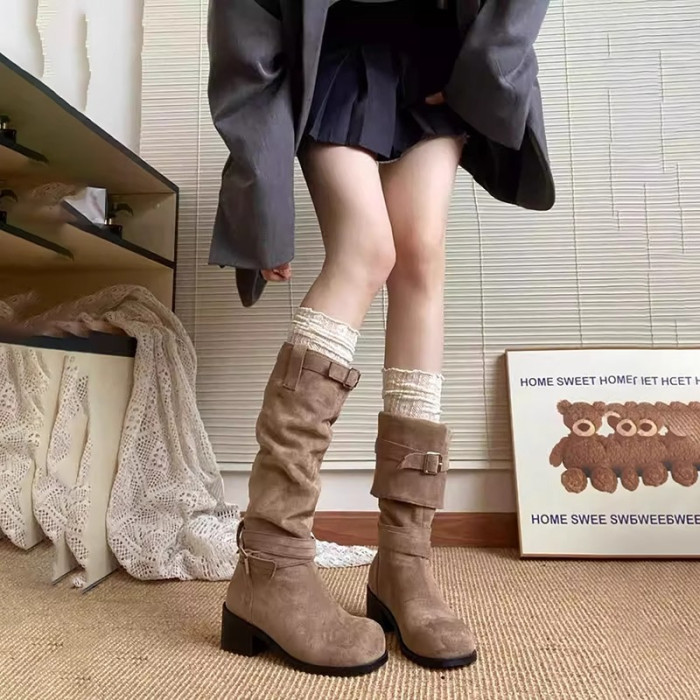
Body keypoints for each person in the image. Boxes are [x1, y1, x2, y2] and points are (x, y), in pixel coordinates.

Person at [208, 0, 553, 676]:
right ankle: (271, 561)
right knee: (365, 250)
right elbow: (244, 29)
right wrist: (262, 198)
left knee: (421, 257)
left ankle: (405, 561)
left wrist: (481, 73)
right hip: (332, 52)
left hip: (436, 56)